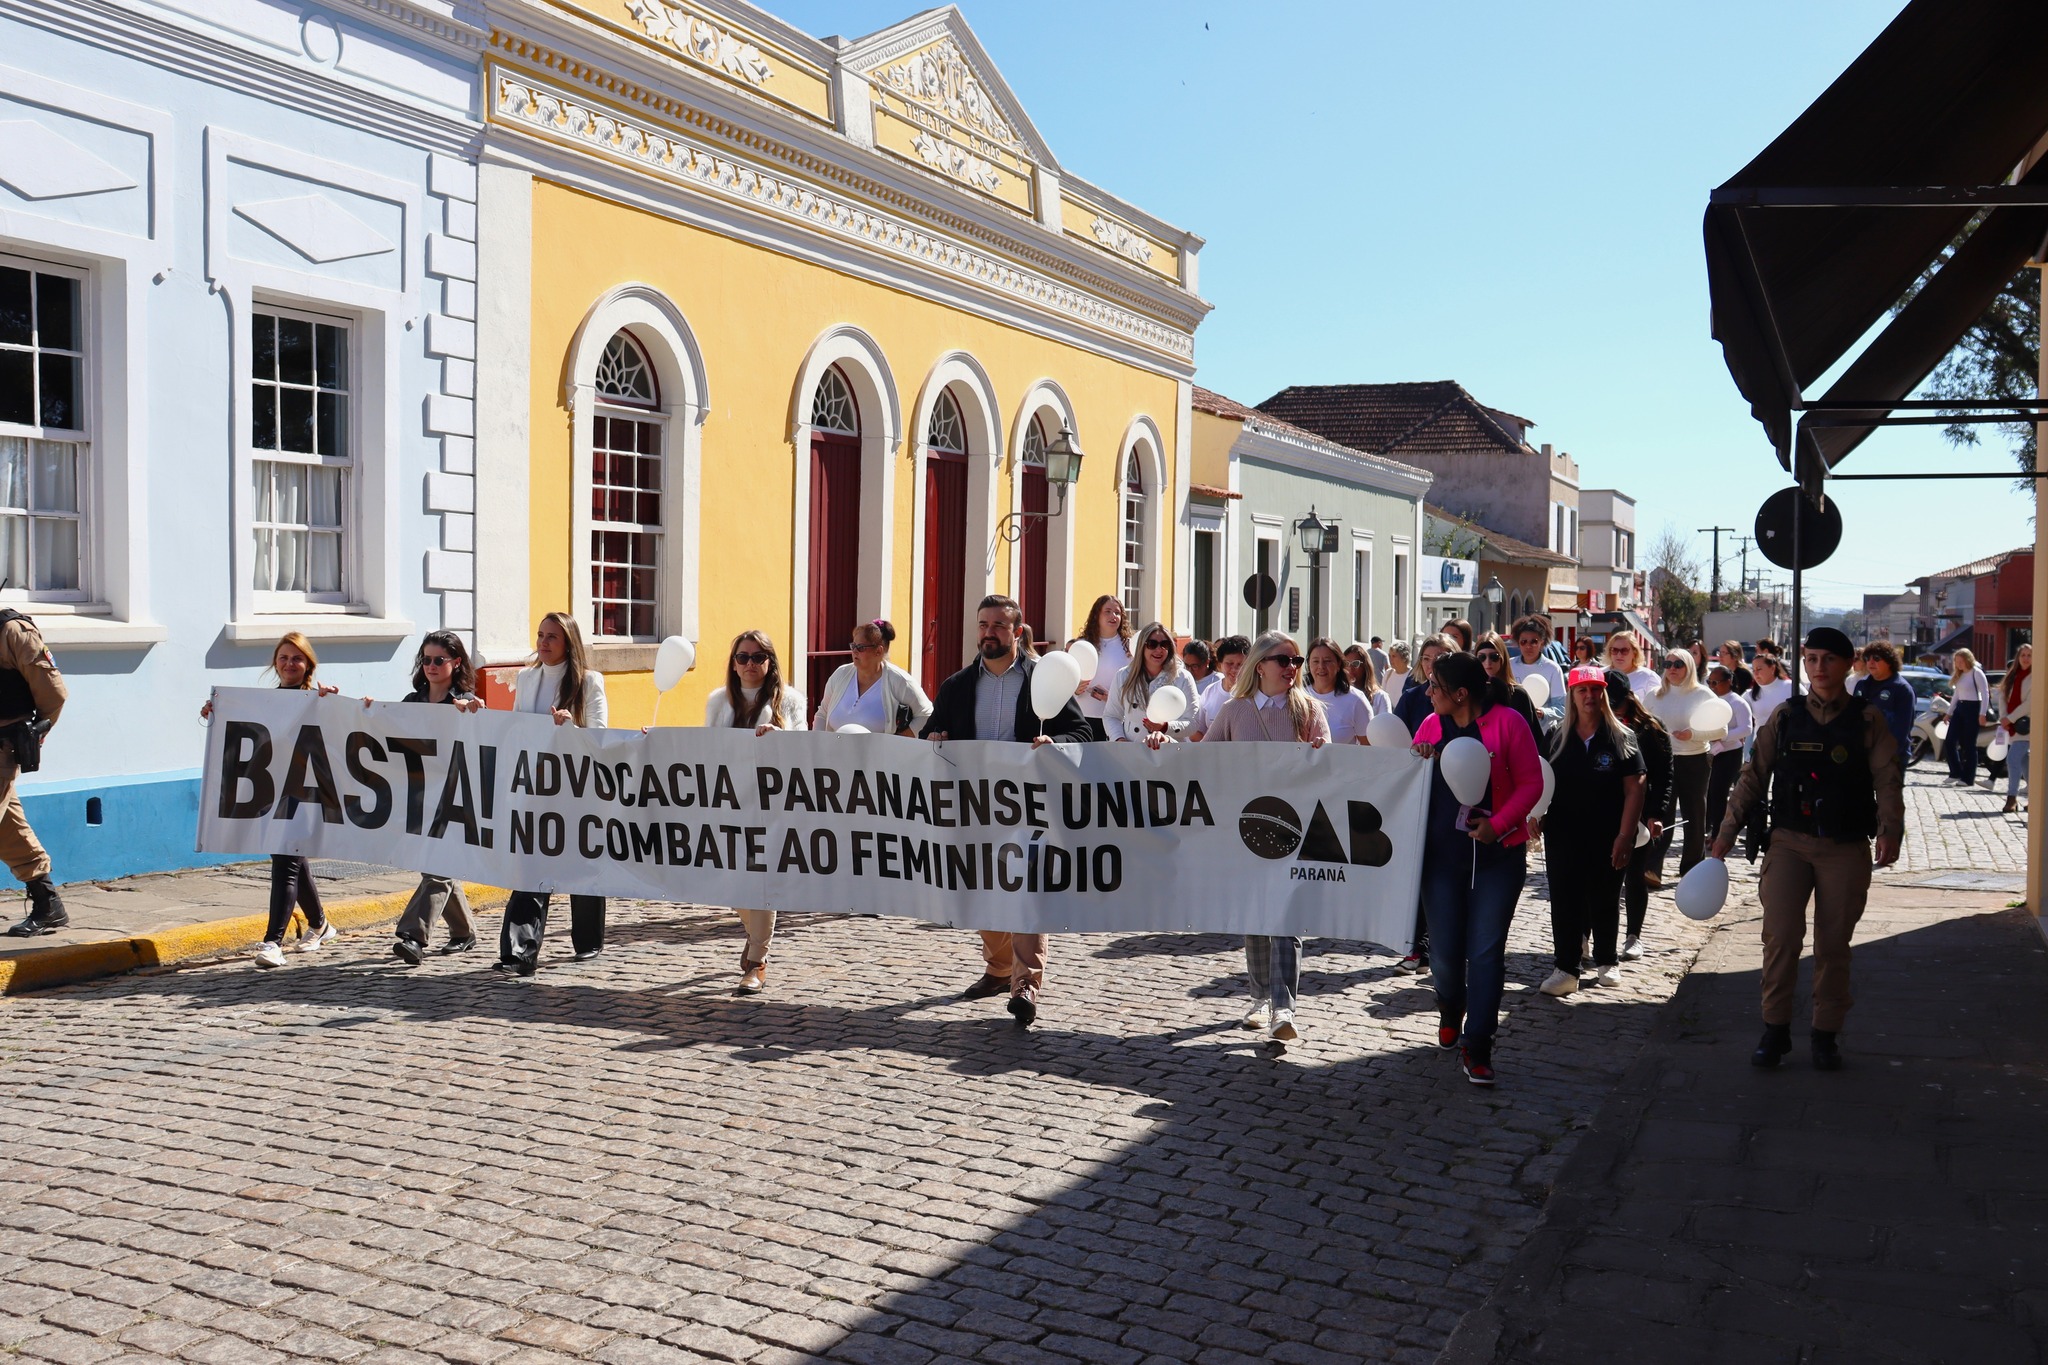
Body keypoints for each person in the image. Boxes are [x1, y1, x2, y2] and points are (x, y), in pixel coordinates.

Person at [1711, 627, 1903, 1071]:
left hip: (1844, 846)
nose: (1819, 668)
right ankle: (1774, 1030)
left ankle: (1825, 1034)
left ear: (1846, 662)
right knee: (1779, 938)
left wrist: (1891, 827)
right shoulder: (1785, 716)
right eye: (1811, 659)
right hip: (1789, 844)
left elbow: (1887, 780)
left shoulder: (1867, 719)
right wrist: (1725, 834)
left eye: (1828, 660)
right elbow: (1753, 777)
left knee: (1833, 944)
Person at [924, 595, 1090, 1025]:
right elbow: (930, 731)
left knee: (1027, 893)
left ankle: (1025, 985)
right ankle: (999, 969)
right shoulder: (956, 685)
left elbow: (1081, 731)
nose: (989, 632)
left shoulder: (1042, 679)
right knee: (982, 890)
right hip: (974, 806)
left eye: (999, 625)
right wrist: (934, 736)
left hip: (1030, 805)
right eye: (983, 624)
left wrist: (1058, 746)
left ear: (1017, 631)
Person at [1413, 651, 1544, 1086]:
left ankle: (1479, 1044)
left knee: (1486, 953)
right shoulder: (1431, 724)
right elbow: (1410, 781)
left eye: (1435, 686)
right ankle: (1451, 1005)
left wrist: (1499, 825)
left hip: (1498, 858)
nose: (1428, 692)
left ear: (1461, 693)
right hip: (1441, 859)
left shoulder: (1510, 723)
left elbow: (1532, 783)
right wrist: (1419, 757)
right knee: (1446, 956)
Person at [1207, 631, 1329, 1042]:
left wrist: (1320, 752)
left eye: (1296, 662)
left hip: (1295, 831)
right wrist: (1161, 744)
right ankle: (1260, 997)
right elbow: (1201, 761)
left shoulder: (1309, 710)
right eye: (1284, 660)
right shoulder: (1233, 711)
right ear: (1260, 665)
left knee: (1286, 918)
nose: (1292, 668)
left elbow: (1331, 764)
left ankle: (1284, 1007)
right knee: (1255, 915)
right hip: (1244, 830)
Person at [200, 633, 339, 967]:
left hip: (306, 794)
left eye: (297, 658)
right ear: (275, 663)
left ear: (308, 664)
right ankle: (320, 924)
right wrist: (217, 715)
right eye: (283, 658)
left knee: (285, 861)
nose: (289, 664)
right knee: (290, 857)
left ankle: (272, 942)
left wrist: (333, 703)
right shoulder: (265, 702)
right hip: (275, 791)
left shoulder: (319, 698)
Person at [497, 613, 609, 978]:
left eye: (552, 637)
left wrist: (571, 728)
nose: (543, 643)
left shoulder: (590, 682)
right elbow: (516, 726)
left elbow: (600, 737)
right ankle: (519, 953)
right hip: (535, 786)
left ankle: (588, 940)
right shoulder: (527, 678)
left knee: (582, 865)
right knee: (532, 867)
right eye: (541, 635)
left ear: (569, 643)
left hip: (577, 788)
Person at [701, 630, 807, 992]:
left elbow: (804, 745)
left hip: (768, 805)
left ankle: (757, 961)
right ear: (733, 663)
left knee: (760, 880)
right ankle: (754, 936)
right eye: (743, 657)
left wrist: (780, 736)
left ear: (770, 662)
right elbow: (703, 747)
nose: (750, 664)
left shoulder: (788, 700)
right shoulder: (718, 701)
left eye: (758, 657)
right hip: (727, 803)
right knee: (729, 882)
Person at [1538, 666, 1646, 996]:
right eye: (1583, 690)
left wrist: (1625, 836)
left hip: (1607, 832)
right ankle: (1566, 967)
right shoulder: (1556, 735)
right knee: (1564, 898)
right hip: (1562, 833)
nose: (1590, 696)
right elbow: (1539, 779)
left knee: (1605, 895)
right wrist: (1534, 813)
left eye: (1596, 690)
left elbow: (1636, 786)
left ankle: (1606, 960)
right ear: (1571, 695)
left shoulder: (1621, 737)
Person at [390, 631, 485, 965]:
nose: (431, 666)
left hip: (454, 797)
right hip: (418, 796)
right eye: (426, 659)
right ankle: (464, 932)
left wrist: (474, 713)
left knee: (439, 868)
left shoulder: (464, 703)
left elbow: (483, 735)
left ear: (455, 662)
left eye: (439, 660)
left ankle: (413, 936)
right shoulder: (412, 702)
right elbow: (388, 734)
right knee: (437, 868)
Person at [0, 609, 70, 937]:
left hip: (1, 744)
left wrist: (36, 731)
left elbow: (52, 692)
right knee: (8, 830)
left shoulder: (13, 630)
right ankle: (48, 905)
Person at [1644, 647, 1724, 879]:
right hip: (1663, 761)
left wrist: (1693, 734)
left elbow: (1721, 728)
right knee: (1661, 814)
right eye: (1667, 664)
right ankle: (1652, 867)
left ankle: (1692, 869)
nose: (1672, 669)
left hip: (1695, 760)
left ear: (1689, 667)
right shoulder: (1654, 695)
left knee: (1694, 815)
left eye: (1678, 664)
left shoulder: (1703, 694)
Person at [1608, 673, 1671, 958]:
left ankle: (1634, 935)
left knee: (1634, 876)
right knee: (1599, 880)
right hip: (1605, 812)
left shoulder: (1651, 730)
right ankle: (1588, 937)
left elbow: (1663, 776)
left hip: (1640, 815)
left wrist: (1656, 814)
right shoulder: (1593, 725)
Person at [816, 619, 930, 736]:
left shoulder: (900, 680)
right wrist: (817, 745)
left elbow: (926, 715)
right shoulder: (840, 674)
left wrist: (898, 741)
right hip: (835, 753)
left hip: (879, 754)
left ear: (878, 651)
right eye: (853, 646)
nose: (854, 651)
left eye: (860, 647)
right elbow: (822, 713)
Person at [1105, 621, 1198, 743]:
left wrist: (1165, 727)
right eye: (1152, 644)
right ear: (1141, 647)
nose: (1159, 650)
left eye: (1164, 644)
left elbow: (1193, 723)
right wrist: (1119, 740)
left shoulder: (1183, 678)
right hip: (1133, 751)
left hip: (1170, 751)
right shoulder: (1123, 676)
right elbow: (1111, 716)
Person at [1702, 663, 1755, 847]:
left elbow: (1747, 728)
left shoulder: (1738, 702)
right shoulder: (1709, 699)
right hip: (1710, 752)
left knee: (1719, 793)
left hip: (1729, 753)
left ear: (1729, 682)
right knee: (1708, 793)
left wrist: (1723, 736)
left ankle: (1718, 833)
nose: (1713, 686)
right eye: (1710, 682)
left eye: (1716, 682)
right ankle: (1707, 829)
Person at [1074, 594, 1132, 741]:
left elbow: (1135, 683)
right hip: (1083, 716)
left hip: (1116, 719)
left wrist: (1112, 698)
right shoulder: (1082, 645)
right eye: (1108, 611)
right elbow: (1066, 680)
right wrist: (1075, 689)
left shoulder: (1130, 647)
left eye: (1117, 612)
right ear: (1096, 615)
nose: (1113, 616)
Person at [1476, 631, 1544, 752]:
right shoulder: (1469, 695)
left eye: (1494, 657)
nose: (1487, 662)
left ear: (1502, 658)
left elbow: (1534, 741)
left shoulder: (1518, 694)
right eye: (1482, 657)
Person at [1853, 642, 1914, 770]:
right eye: (1867, 658)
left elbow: (1902, 729)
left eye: (1876, 658)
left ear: (1889, 661)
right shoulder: (1861, 685)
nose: (1870, 662)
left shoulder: (1902, 689)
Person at [1305, 637, 1370, 744]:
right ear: (1308, 664)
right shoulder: (1299, 697)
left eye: (1327, 661)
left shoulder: (1355, 700)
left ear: (1339, 664)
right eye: (1315, 661)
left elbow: (1368, 747)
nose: (1321, 666)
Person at [1188, 635, 1250, 740]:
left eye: (1240, 664)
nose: (1235, 670)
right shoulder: (1209, 692)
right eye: (1229, 664)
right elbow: (1197, 731)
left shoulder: (1255, 694)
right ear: (1220, 664)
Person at [1947, 647, 1991, 787]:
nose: (1959, 664)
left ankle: (1967, 778)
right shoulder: (1959, 675)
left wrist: (1982, 714)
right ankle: (1955, 772)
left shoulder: (1976, 673)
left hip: (1973, 708)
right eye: (1957, 661)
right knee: (1949, 741)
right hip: (1960, 708)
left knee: (1969, 744)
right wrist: (1949, 712)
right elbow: (1956, 695)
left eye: (1961, 661)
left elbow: (1985, 694)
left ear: (1968, 660)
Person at [1393, 634, 1451, 737]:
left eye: (1439, 658)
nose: (1431, 665)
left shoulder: (1466, 697)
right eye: (1426, 659)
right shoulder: (1410, 698)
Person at [1509, 616, 1567, 710]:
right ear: (1518, 643)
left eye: (1534, 642)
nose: (1528, 646)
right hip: (1515, 723)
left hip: (1543, 724)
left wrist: (1543, 713)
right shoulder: (1509, 665)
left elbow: (1561, 707)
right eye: (1524, 642)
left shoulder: (1553, 669)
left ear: (1542, 643)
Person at [2000, 643, 2031, 815]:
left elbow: (2029, 704)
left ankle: (2011, 798)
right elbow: (2003, 697)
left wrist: (2010, 718)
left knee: (2012, 759)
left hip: (2027, 725)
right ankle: (2035, 798)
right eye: (2023, 655)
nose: (2026, 658)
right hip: (2013, 725)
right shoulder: (2011, 676)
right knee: (2025, 763)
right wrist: (2004, 718)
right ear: (2018, 658)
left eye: (2029, 655)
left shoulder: (2035, 676)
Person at [1604, 630, 1659, 698]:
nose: (1619, 655)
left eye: (1624, 650)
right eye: (1614, 650)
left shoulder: (1648, 677)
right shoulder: (1601, 675)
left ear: (1634, 653)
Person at [1345, 645, 1392, 719]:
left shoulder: (1380, 697)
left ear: (1365, 667)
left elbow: (1385, 727)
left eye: (1355, 663)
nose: (1350, 668)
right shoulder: (1338, 695)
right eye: (1346, 664)